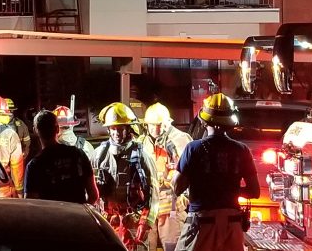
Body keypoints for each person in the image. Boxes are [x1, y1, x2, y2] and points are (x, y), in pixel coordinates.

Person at [173, 93, 259, 251]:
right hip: (232, 225)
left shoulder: (193, 148)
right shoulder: (242, 150)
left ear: (204, 121)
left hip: (201, 223)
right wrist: (229, 190)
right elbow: (255, 191)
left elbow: (177, 188)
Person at [93, 102, 157, 251]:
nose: (116, 133)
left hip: (133, 222)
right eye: (113, 128)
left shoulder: (142, 156)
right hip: (108, 222)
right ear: (108, 130)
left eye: (120, 128)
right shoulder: (99, 155)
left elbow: (153, 192)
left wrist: (146, 222)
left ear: (128, 129)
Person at [142, 103, 193, 251]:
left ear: (167, 123)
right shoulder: (143, 142)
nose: (155, 129)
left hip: (172, 208)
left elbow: (188, 173)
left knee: (173, 247)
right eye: (152, 125)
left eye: (159, 125)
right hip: (148, 208)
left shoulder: (181, 140)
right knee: (145, 246)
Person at [24, 110, 99, 204]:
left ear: (35, 131)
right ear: (57, 129)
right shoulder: (78, 154)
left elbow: (30, 203)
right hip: (77, 213)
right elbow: (93, 195)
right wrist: (81, 211)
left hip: (50, 214)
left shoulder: (34, 166)